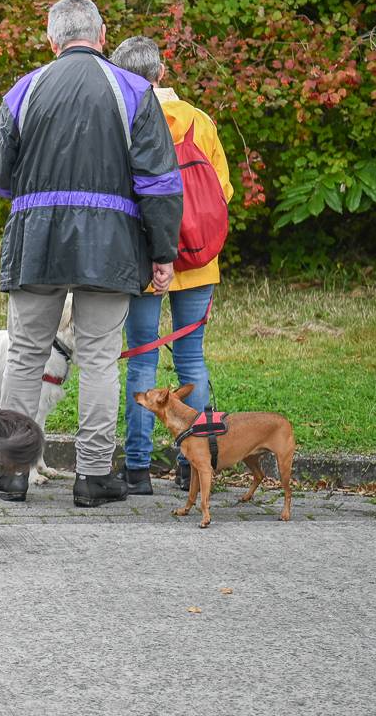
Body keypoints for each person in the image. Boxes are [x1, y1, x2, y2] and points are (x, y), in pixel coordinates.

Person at [0, 0, 183, 508]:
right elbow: (159, 183)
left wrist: (34, 200)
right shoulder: (135, 90)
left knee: (25, 355)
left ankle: (11, 469)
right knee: (98, 360)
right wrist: (162, 252)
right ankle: (93, 476)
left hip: (35, 241)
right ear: (102, 34)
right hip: (110, 244)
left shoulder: (26, 89)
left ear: (51, 40)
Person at [110, 35, 234, 494]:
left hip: (145, 261)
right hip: (200, 260)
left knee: (141, 359)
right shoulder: (201, 121)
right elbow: (224, 192)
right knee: (191, 359)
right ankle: (192, 465)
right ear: (162, 73)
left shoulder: (122, 122)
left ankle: (138, 469)